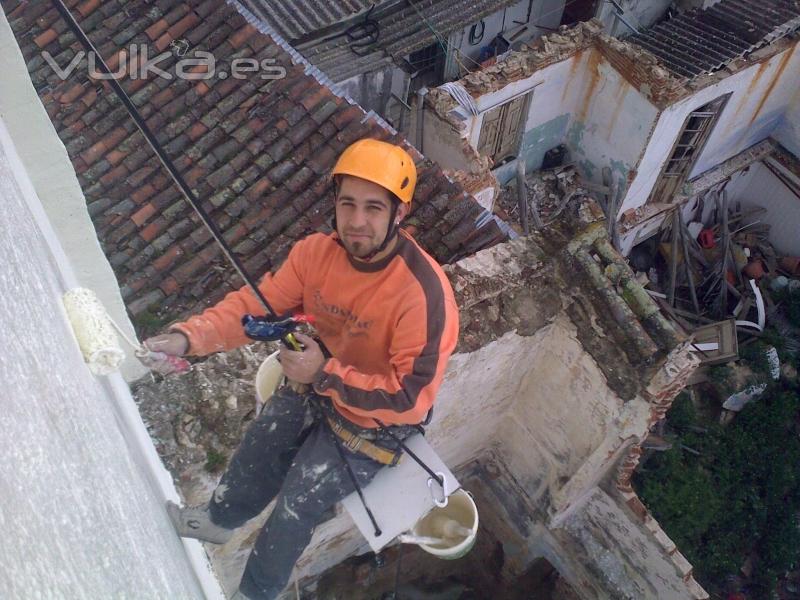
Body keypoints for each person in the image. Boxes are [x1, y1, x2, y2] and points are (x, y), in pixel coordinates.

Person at [145, 138, 459, 600]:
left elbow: (409, 399)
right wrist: (188, 339)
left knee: (297, 503)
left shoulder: (423, 296)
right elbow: (256, 307)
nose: (356, 221)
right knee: (259, 446)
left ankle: (255, 593)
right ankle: (217, 521)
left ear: (399, 214)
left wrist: (326, 374)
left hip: (370, 424)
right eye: (346, 203)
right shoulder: (316, 254)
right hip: (314, 383)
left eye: (374, 208)